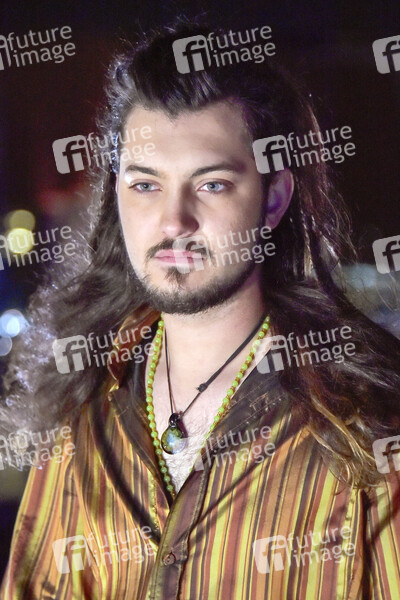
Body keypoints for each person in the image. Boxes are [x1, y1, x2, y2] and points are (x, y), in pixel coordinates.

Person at [1, 21, 400, 600]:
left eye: (211, 185)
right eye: (145, 185)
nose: (173, 221)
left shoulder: (366, 425)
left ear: (274, 200)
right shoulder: (80, 406)